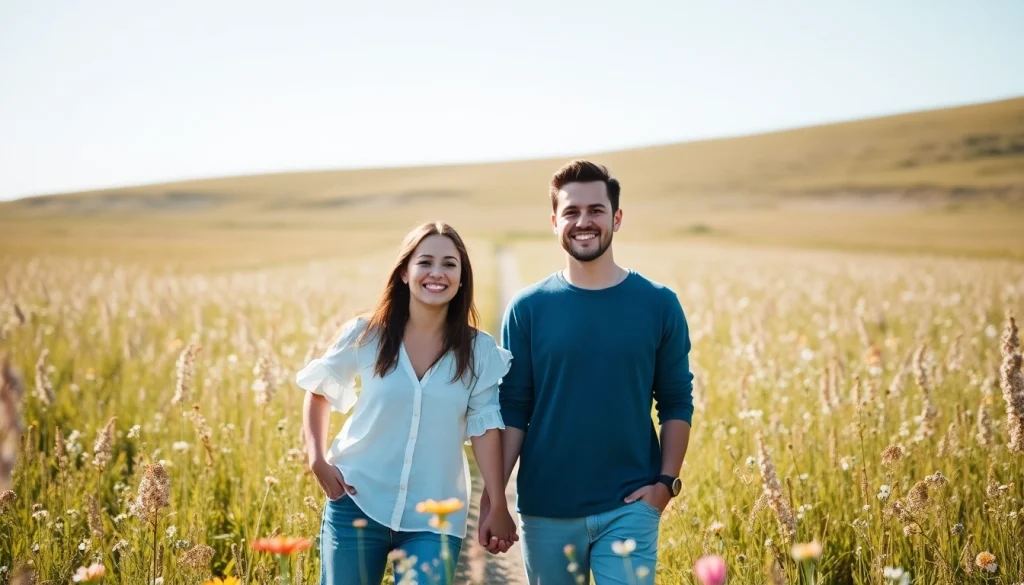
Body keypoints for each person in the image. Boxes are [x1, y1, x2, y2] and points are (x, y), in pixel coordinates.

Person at [480, 160, 695, 583]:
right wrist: (494, 502)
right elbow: (513, 409)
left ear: (616, 218)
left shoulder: (658, 304)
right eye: (571, 212)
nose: (584, 222)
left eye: (596, 210)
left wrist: (665, 485)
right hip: (547, 509)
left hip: (630, 505)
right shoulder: (528, 308)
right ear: (555, 221)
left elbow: (675, 401)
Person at [297, 221, 518, 585]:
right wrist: (317, 458)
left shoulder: (479, 351)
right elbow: (319, 389)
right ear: (404, 272)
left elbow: (484, 426)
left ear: (463, 278)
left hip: (436, 517)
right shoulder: (366, 334)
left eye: (449, 264)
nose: (437, 273)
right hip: (357, 501)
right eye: (425, 262)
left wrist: (496, 503)